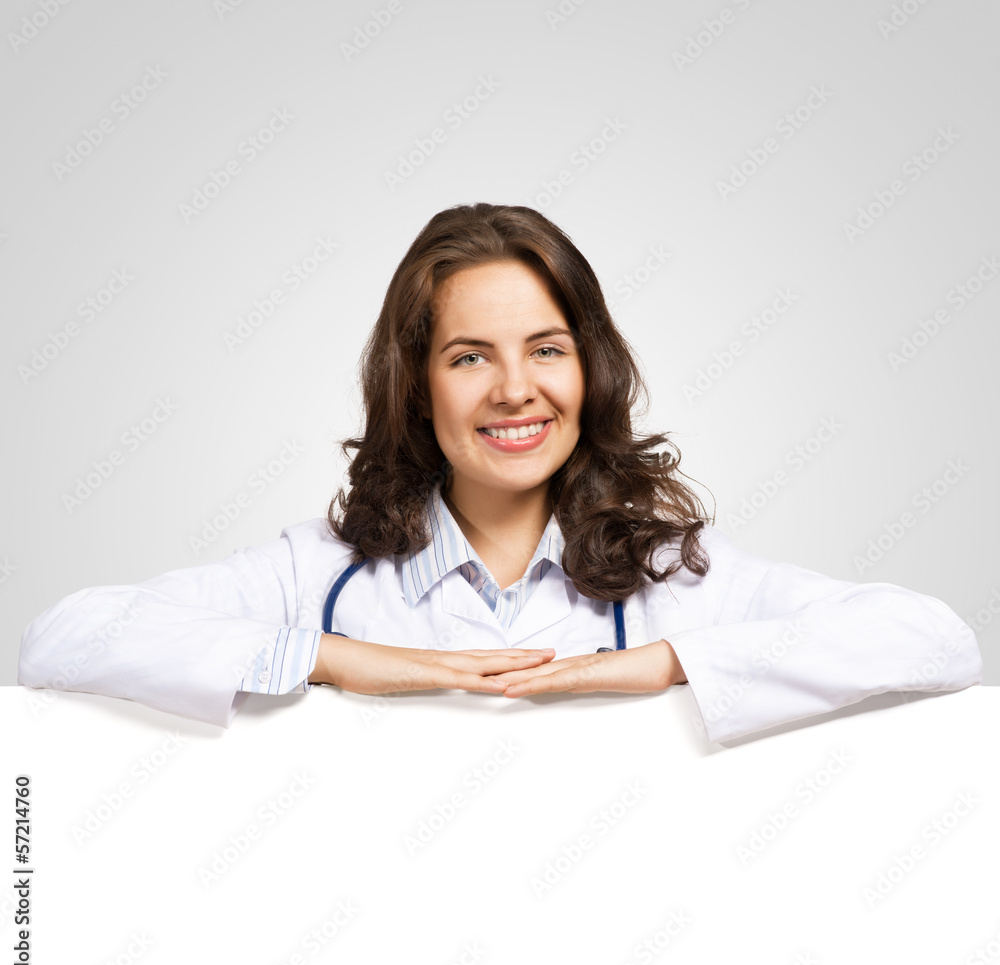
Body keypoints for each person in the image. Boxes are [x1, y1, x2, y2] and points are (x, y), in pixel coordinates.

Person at [17, 203, 982, 742]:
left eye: (547, 350)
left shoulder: (674, 578)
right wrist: (343, 660)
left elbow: (936, 643)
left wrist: (665, 664)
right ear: (416, 385)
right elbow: (63, 639)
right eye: (470, 356)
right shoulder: (322, 573)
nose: (516, 390)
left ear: (589, 370)